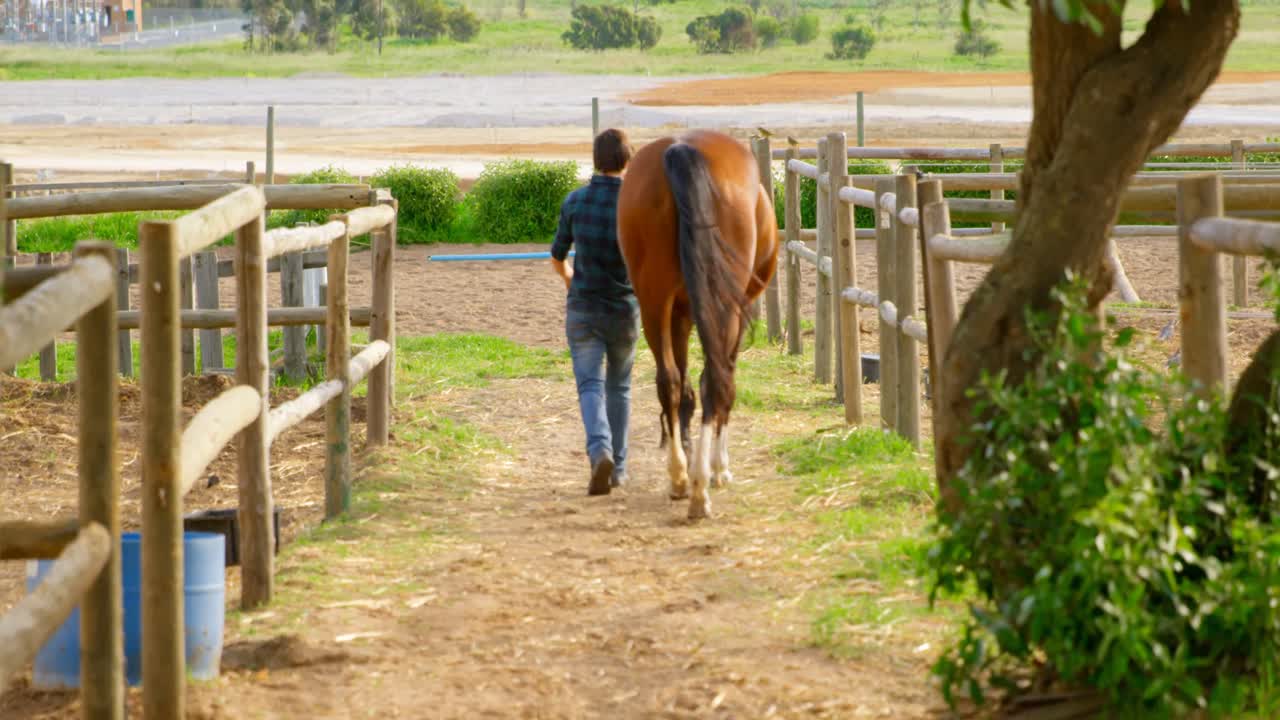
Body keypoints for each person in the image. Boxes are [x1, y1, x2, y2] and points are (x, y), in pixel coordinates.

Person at [550, 128, 638, 496]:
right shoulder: (636, 205)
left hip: (584, 306)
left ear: (595, 160)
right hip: (623, 309)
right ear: (627, 160)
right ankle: (617, 468)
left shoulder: (575, 201)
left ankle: (598, 449)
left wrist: (570, 278)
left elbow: (557, 256)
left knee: (590, 385)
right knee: (619, 387)